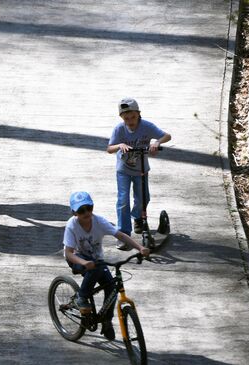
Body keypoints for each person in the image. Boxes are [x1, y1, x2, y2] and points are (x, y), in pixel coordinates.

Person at [63, 191, 150, 341]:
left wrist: (140, 248)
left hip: (96, 260)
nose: (86, 213)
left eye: (88, 208)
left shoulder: (99, 221)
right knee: (94, 267)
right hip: (76, 259)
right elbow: (69, 253)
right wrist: (84, 262)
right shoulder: (72, 225)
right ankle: (81, 297)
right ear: (74, 212)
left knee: (111, 287)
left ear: (92, 207)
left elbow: (120, 235)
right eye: (81, 210)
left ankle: (106, 321)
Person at [107, 98, 171, 250]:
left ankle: (137, 217)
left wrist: (157, 143)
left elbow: (167, 136)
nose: (130, 121)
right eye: (126, 118)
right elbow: (109, 149)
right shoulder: (119, 129)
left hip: (141, 169)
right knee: (123, 200)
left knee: (143, 197)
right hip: (123, 170)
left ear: (138, 114)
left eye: (133, 117)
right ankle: (124, 233)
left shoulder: (147, 127)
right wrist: (119, 145)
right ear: (122, 118)